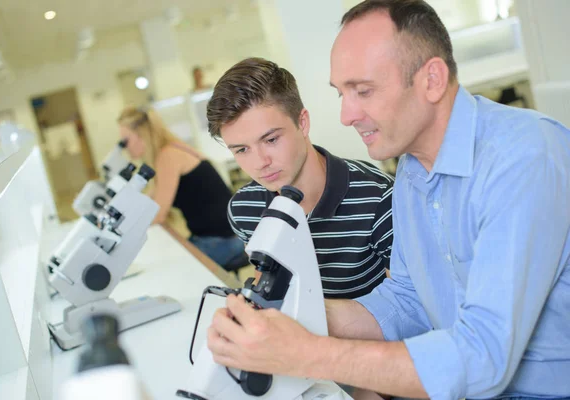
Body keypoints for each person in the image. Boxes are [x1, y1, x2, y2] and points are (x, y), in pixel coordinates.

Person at [205, 1, 570, 399]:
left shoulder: (524, 156)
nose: (346, 115)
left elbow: (483, 357)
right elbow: (406, 303)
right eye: (342, 93)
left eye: (363, 91)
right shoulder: (412, 174)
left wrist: (307, 353)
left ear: (432, 79)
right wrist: (284, 309)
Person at [206, 57, 394, 299]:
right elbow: (271, 289)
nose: (260, 162)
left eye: (271, 140)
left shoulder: (379, 198)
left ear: (302, 123)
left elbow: (406, 313)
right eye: (242, 150)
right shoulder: (244, 209)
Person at [117, 106, 248, 271]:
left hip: (223, 242)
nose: (124, 147)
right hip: (225, 236)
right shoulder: (173, 149)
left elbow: (158, 214)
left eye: (125, 140)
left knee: (163, 268)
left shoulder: (168, 156)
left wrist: (125, 232)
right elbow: (151, 200)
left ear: (141, 134)